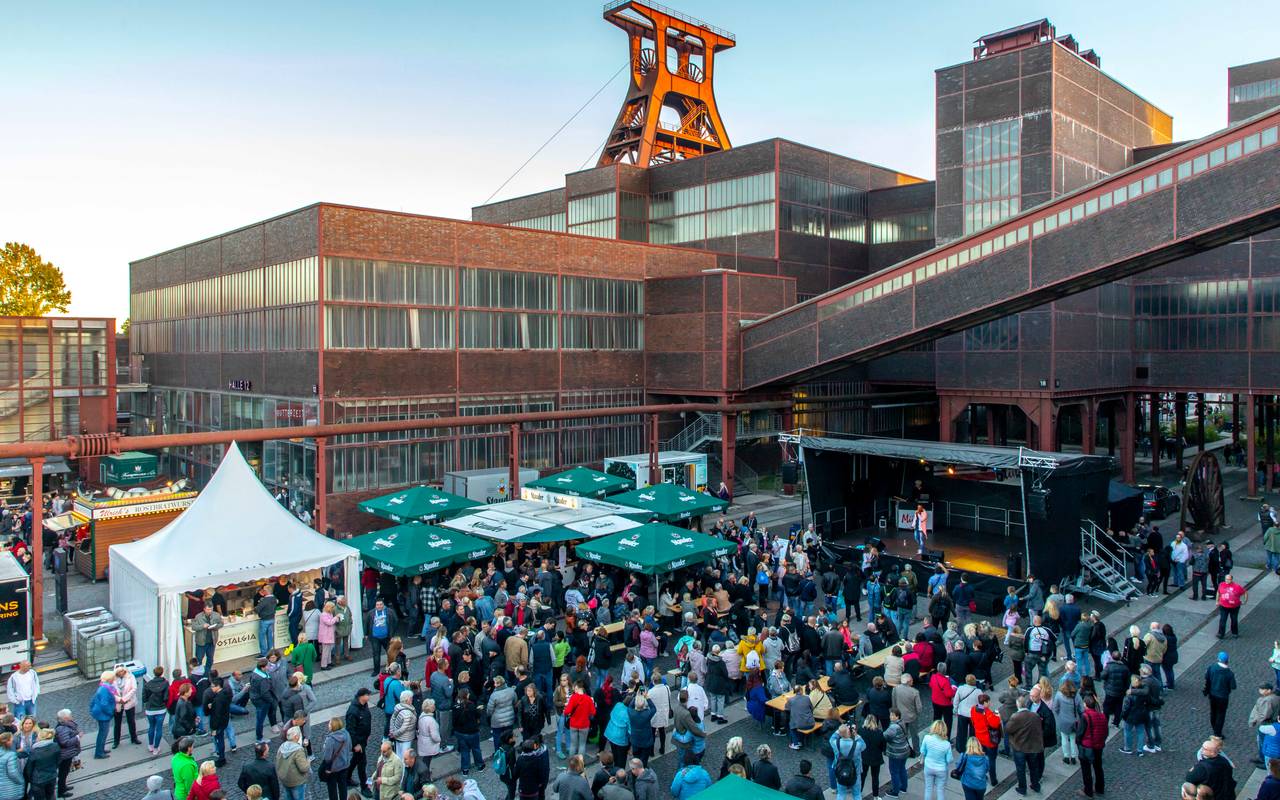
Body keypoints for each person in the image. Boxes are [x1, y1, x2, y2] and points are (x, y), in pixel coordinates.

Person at [1005, 695, 1046, 796]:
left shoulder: (1015, 717)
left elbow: (1007, 729)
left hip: (1019, 748)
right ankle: (1035, 785)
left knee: (1020, 769)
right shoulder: (1035, 715)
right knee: (1033, 767)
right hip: (1032, 747)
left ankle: (1022, 788)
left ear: (1018, 705)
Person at [344, 689, 373, 796]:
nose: (369, 696)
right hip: (358, 743)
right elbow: (350, 729)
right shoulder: (353, 711)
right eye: (367, 695)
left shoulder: (364, 705)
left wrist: (367, 734)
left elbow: (366, 720)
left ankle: (347, 777)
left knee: (356, 759)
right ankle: (364, 787)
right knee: (362, 763)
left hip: (363, 740)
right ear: (361, 696)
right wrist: (356, 744)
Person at [1078, 694, 1107, 798]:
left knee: (1086, 770)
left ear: (1085, 704)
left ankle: (1088, 790)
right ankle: (1100, 788)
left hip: (1087, 746)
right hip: (1098, 746)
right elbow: (1105, 732)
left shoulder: (1085, 716)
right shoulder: (1102, 716)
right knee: (1098, 768)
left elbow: (1080, 733)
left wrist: (1079, 742)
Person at [1205, 651, 1237, 738]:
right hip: (1223, 697)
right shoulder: (1229, 673)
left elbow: (1207, 678)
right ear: (1227, 661)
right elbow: (1233, 686)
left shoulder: (1212, 668)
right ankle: (1217, 732)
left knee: (1213, 712)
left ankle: (1214, 727)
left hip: (1212, 694)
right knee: (1221, 714)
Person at [1050, 682, 1083, 765]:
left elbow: (1055, 708)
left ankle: (1066, 756)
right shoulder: (1077, 696)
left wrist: (1059, 716)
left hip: (1063, 721)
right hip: (1074, 721)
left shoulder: (1059, 695)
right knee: (1073, 739)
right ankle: (1074, 757)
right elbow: (1081, 710)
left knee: (1064, 738)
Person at [321, 717, 353, 800]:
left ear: (332, 726)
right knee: (343, 786)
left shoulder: (330, 739)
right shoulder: (346, 733)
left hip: (333, 769)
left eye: (329, 723)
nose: (328, 725)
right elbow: (350, 747)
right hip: (345, 766)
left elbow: (327, 757)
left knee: (332, 789)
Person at [918, 719, 951, 800]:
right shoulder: (947, 744)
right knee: (940, 791)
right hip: (941, 769)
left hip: (929, 767)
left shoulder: (927, 738)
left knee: (928, 789)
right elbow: (949, 759)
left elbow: (922, 751)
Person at [276, 727, 312, 800]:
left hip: (285, 780)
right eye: (299, 735)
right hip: (296, 782)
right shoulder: (298, 750)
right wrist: (308, 761)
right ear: (296, 737)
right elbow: (304, 768)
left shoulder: (282, 747)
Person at [23, 728, 58, 800]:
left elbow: (29, 769)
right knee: (51, 795)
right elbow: (58, 760)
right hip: (52, 775)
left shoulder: (35, 752)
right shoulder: (55, 746)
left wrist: (30, 779)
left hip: (38, 780)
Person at [563, 681, 595, 758]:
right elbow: (593, 712)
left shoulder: (573, 697)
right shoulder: (589, 699)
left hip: (573, 724)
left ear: (578, 687)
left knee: (573, 745)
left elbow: (567, 711)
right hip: (584, 725)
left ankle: (571, 763)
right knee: (582, 745)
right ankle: (580, 764)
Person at [88, 670, 115, 759]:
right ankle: (99, 753)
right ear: (110, 679)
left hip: (101, 713)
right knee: (103, 733)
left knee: (103, 732)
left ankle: (101, 749)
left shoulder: (103, 687)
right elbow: (104, 704)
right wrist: (111, 712)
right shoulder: (105, 689)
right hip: (103, 715)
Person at [514, 736, 550, 800]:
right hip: (534, 790)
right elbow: (541, 774)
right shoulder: (537, 759)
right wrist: (540, 783)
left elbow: (516, 774)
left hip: (523, 789)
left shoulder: (520, 759)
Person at [1216, 574, 1247, 639]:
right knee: (1222, 620)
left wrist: (1245, 601)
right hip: (1223, 606)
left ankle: (1235, 633)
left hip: (1234, 607)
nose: (1227, 580)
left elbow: (1245, 592)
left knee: (1234, 620)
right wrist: (1217, 601)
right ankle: (1221, 634)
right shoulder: (1221, 584)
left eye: (1229, 579)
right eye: (1226, 579)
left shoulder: (1237, 586)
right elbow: (1218, 592)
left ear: (1232, 580)